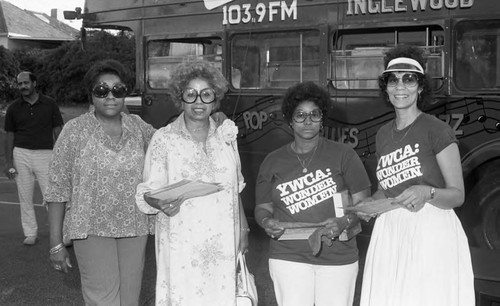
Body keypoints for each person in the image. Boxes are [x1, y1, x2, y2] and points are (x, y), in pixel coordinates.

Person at [359, 45, 474, 306]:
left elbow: (457, 195)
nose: (401, 86)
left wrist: (428, 192)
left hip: (431, 231)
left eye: (409, 79)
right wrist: (368, 205)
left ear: (420, 87)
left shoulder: (437, 130)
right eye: (393, 79)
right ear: (385, 87)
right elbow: (386, 190)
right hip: (390, 231)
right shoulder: (382, 134)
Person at [135, 60, 248, 306]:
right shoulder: (164, 139)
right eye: (191, 94)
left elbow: (235, 186)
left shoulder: (227, 134)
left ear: (215, 98)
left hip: (222, 235)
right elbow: (148, 191)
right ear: (181, 98)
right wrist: (159, 203)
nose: (199, 101)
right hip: (181, 237)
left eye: (206, 94)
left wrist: (244, 228)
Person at [44, 59, 156, 306]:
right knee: (103, 300)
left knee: (129, 300)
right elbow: (56, 189)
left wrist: (210, 117)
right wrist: (55, 245)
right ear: (91, 94)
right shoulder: (74, 131)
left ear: (126, 92)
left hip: (134, 226)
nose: (110, 96)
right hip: (90, 228)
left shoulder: (139, 128)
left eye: (118, 90)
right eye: (101, 90)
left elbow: (170, 145)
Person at [254, 81, 371, 306]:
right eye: (300, 115)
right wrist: (266, 221)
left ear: (322, 119)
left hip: (338, 255)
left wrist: (344, 221)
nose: (307, 121)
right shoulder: (273, 161)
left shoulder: (344, 155)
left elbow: (363, 204)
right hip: (288, 255)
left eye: (314, 115)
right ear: (290, 120)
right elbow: (263, 207)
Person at [3, 71, 64, 245]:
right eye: (20, 84)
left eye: (26, 83)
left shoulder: (50, 104)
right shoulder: (14, 108)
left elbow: (58, 131)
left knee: (51, 196)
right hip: (21, 154)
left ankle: (59, 234)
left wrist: (62, 157)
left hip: (46, 154)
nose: (22, 86)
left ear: (34, 83)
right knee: (25, 196)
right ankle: (30, 233)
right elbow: (9, 135)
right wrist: (8, 162)